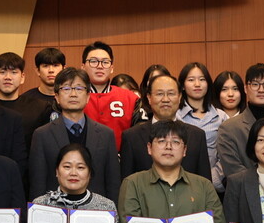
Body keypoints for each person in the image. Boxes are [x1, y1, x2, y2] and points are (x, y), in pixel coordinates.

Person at [29, 67, 121, 202]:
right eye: (66, 89)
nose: (73, 94)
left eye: (79, 88)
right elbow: (38, 184)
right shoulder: (42, 135)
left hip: (96, 212)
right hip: (55, 211)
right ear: (57, 97)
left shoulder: (105, 135)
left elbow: (113, 183)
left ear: (88, 96)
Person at [119, 74, 211, 181]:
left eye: (171, 94)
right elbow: (126, 183)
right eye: (159, 94)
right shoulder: (131, 137)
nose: (165, 99)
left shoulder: (196, 136)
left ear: (180, 97)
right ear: (149, 98)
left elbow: (205, 182)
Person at [176, 61, 225, 186]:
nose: (197, 84)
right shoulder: (175, 117)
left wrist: (209, 181)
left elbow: (225, 154)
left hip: (213, 184)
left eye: (202, 79)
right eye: (191, 80)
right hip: (179, 182)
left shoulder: (221, 117)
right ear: (182, 85)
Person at [81, 41, 139, 141]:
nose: (100, 66)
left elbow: (139, 134)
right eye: (93, 61)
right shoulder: (73, 96)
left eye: (105, 62)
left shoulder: (131, 98)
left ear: (111, 68)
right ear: (83, 67)